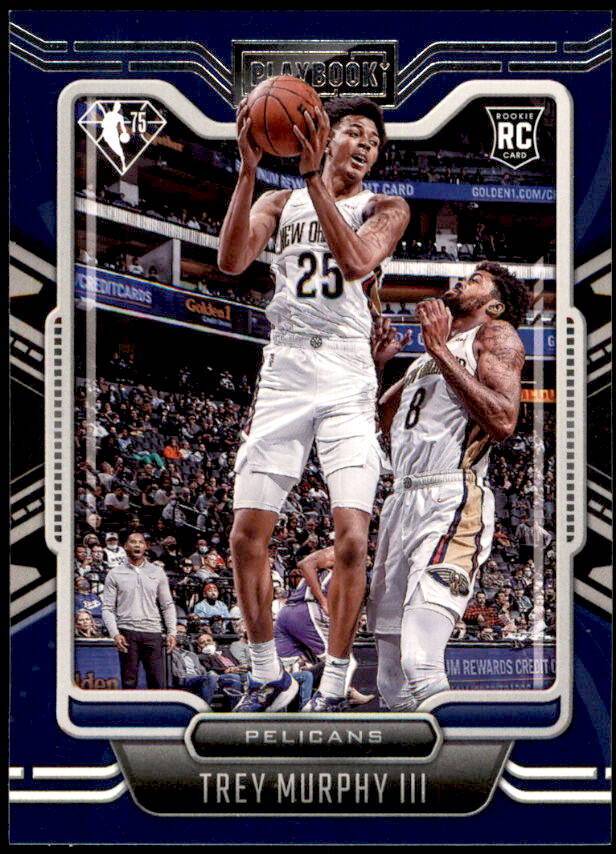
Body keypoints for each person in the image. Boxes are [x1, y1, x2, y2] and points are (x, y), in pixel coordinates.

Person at [218, 94, 409, 712]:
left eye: (373, 142)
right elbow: (231, 261)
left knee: (352, 539)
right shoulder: (279, 203)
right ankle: (267, 676)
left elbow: (355, 262)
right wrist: (249, 170)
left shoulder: (385, 207)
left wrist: (312, 181)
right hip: (286, 370)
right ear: (325, 137)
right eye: (354, 132)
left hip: (348, 371)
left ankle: (333, 682)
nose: (365, 146)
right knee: (246, 535)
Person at [367, 261, 527, 711]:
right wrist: (377, 366)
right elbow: (380, 421)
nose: (460, 282)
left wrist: (439, 348)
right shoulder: (425, 357)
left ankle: (459, 751)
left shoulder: (495, 335)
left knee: (420, 660)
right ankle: (417, 756)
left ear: (494, 305)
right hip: (400, 500)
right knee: (390, 678)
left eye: (475, 281)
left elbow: (503, 420)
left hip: (451, 497)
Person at [274, 545, 374, 707]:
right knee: (344, 662)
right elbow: (305, 564)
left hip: (287, 613)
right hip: (306, 610)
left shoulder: (346, 573)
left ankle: (266, 713)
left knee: (286, 670)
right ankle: (330, 702)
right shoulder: (339, 552)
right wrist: (323, 600)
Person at [101, 532, 177, 689]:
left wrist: (172, 632)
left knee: (158, 683)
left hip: (153, 632)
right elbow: (107, 608)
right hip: (127, 632)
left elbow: (167, 605)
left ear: (145, 547)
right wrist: (115, 633)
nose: (137, 545)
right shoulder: (114, 573)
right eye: (133, 542)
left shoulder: (157, 572)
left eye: (140, 542)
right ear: (125, 546)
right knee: (129, 683)